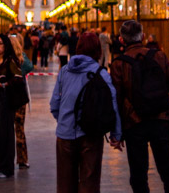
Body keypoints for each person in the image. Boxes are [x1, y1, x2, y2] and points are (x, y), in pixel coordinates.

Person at [110, 20, 169, 193]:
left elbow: (117, 101)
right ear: (142, 36)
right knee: (168, 172)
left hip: (134, 125)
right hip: (161, 121)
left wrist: (117, 132)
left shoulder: (118, 64)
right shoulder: (159, 56)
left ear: (121, 40)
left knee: (138, 175)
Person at [50, 30, 121, 193]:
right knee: (89, 183)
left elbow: (54, 104)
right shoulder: (102, 73)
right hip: (91, 135)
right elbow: (112, 104)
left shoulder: (65, 71)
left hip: (65, 135)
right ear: (98, 50)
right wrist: (116, 134)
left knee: (65, 184)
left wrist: (63, 120)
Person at [0, 34, 24, 179]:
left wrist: (4, 84)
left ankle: (7, 167)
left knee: (6, 133)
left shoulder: (10, 61)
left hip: (6, 99)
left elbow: (18, 79)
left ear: (6, 46)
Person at [9, 33, 32, 170]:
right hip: (20, 96)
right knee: (20, 128)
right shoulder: (22, 58)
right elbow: (29, 67)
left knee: (5, 129)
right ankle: (22, 159)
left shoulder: (7, 59)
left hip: (8, 96)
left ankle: (6, 159)